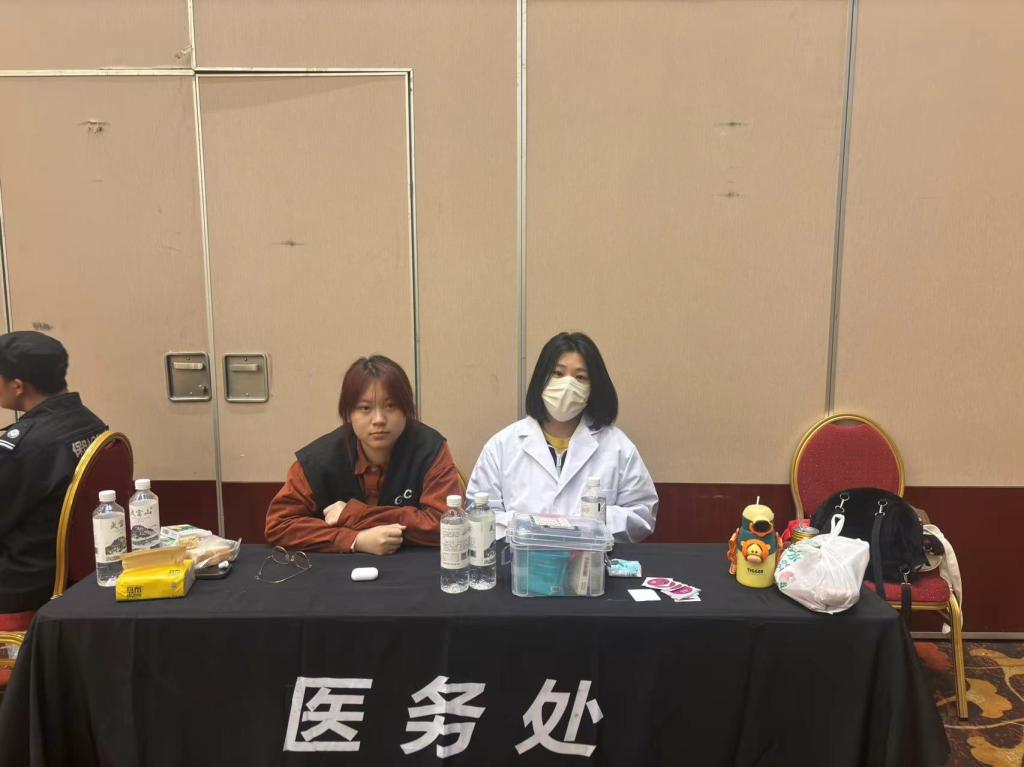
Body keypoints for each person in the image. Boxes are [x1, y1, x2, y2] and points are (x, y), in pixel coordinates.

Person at [468, 331, 658, 542]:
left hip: (591, 559)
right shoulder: (502, 446)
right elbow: (479, 514)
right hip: (523, 559)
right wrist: (527, 526)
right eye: (558, 373)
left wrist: (592, 522)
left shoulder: (617, 447)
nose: (567, 385)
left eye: (580, 377)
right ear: (541, 379)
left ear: (593, 388)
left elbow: (642, 513)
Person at [265, 355, 463, 555]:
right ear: (349, 413)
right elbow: (279, 525)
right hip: (336, 570)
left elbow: (448, 525)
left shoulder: (430, 449)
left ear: (406, 410)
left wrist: (355, 515)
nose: (379, 419)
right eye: (365, 408)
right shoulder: (319, 459)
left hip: (413, 567)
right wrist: (354, 540)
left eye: (390, 406)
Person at [0, 331, 107, 616]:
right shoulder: (89, 421)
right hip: (74, 572)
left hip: (22, 581)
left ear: (17, 386)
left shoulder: (24, 447)